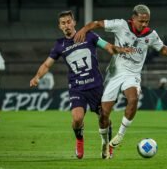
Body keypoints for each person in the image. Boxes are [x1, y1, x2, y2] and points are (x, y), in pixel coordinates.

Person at [74, 4, 167, 157]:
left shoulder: (150, 34)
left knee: (133, 98)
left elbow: (163, 48)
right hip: (114, 73)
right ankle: (105, 143)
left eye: (147, 21)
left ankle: (120, 136)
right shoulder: (120, 25)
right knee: (104, 114)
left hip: (132, 75)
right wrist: (84, 29)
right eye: (141, 21)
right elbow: (97, 23)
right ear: (133, 18)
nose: (144, 24)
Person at [29, 10, 132, 159]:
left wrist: (120, 50)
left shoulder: (89, 36)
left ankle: (107, 145)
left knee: (104, 118)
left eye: (69, 22)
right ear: (59, 26)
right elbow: (47, 64)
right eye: (63, 23)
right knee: (77, 119)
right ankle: (79, 140)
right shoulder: (59, 45)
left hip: (96, 86)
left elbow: (108, 46)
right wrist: (37, 77)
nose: (67, 25)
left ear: (74, 22)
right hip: (77, 88)